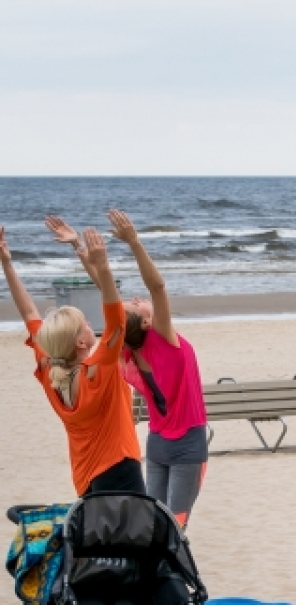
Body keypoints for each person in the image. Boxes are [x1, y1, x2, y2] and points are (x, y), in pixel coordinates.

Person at [56, 211, 209, 528]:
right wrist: (134, 242)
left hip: (160, 444)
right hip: (182, 446)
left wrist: (80, 249)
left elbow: (106, 291)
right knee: (172, 528)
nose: (137, 299)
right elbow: (157, 286)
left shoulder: (125, 350)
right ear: (147, 322)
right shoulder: (163, 340)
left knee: (154, 524)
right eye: (135, 305)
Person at [4, 222, 144, 497]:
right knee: (134, 540)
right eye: (85, 324)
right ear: (80, 343)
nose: (91, 323)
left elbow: (29, 313)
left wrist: (6, 264)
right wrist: (102, 266)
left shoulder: (50, 369)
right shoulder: (98, 368)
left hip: (85, 479)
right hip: (121, 468)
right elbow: (117, 319)